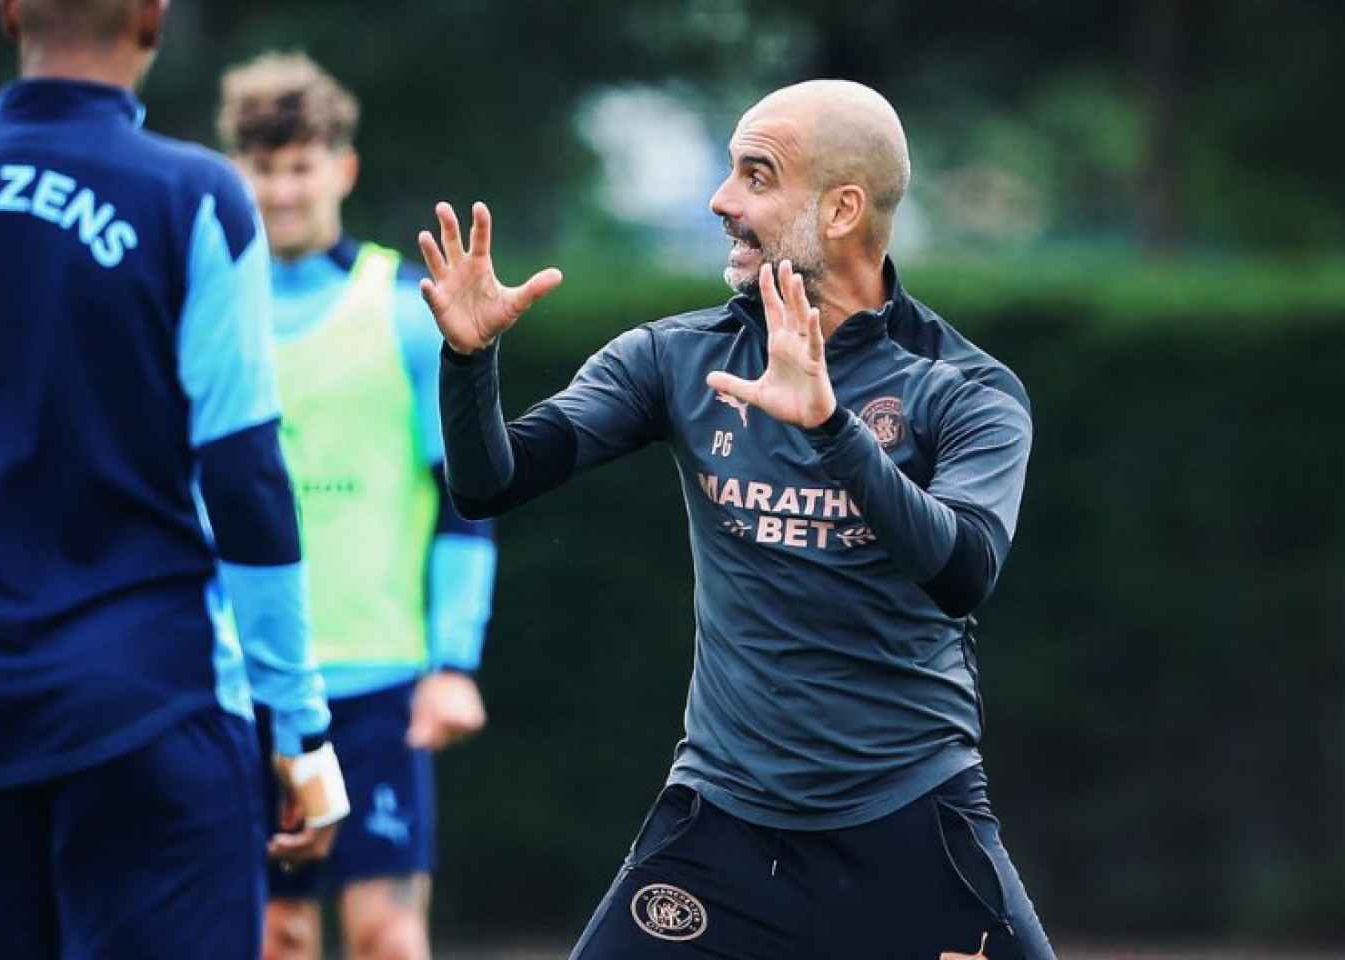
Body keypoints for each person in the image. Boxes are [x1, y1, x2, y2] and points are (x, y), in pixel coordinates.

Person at [417, 79, 1055, 959]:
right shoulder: (677, 356)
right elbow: (493, 483)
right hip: (724, 827)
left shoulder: (966, 389)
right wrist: (468, 359)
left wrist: (832, 429)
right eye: (729, 172)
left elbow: (963, 571)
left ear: (841, 209)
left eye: (757, 177)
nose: (722, 201)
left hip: (908, 820)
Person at [0, 3, 348, 957]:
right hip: (159, 715)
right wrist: (298, 723)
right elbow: (245, 476)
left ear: (8, 10)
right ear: (154, 16)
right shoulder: (194, 196)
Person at [215, 52, 498, 960]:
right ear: (236, 174)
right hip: (237, 681)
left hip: (377, 684)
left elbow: (468, 498)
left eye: (301, 164)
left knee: (385, 937)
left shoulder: (403, 310)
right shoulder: (208, 315)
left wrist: (454, 660)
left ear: (341, 167)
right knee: (273, 935)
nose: (283, 188)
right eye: (264, 166)